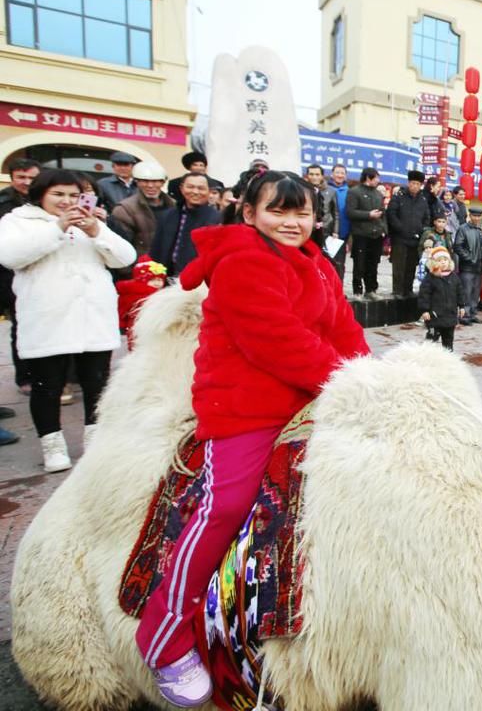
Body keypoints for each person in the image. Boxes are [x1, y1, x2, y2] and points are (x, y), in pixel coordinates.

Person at [134, 170, 369, 706]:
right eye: (277, 211)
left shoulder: (316, 260)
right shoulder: (243, 261)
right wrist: (346, 378)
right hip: (246, 406)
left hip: (310, 396)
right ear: (249, 213)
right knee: (225, 505)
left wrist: (368, 375)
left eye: (301, 212)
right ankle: (163, 632)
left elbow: (342, 327)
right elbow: (277, 341)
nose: (291, 222)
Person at [0, 169, 137, 470]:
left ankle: (95, 439)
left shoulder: (91, 222)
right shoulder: (18, 221)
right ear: (41, 195)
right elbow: (10, 256)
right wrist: (58, 227)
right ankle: (52, 445)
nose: (66, 201)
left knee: (96, 382)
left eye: (73, 195)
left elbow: (125, 258)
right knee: (47, 385)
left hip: (93, 316)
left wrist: (97, 231)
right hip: (48, 318)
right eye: (58, 194)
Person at [0, 157, 39, 401]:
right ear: (12, 178)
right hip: (9, 275)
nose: (26, 182)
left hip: (40, 276)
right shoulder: (4, 204)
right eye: (21, 177)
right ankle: (25, 377)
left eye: (31, 178)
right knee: (20, 327)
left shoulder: (45, 201)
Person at [150, 172, 222, 277]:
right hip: (166, 276)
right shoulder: (167, 216)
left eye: (201, 188)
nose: (195, 192)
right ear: (182, 188)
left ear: (209, 191)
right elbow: (156, 249)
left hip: (198, 278)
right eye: (190, 187)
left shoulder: (217, 219)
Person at [111, 160, 175, 256]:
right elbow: (122, 246)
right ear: (137, 182)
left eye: (155, 181)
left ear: (163, 182)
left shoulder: (174, 205)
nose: (150, 185)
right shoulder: (124, 209)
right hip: (142, 262)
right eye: (145, 181)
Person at [387, 170, 431, 299]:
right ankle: (397, 291)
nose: (415, 186)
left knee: (411, 267)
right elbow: (391, 214)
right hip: (400, 238)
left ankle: (408, 290)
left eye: (418, 184)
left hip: (415, 239)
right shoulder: (399, 196)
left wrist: (421, 230)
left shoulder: (423, 200)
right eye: (413, 183)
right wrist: (400, 228)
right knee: (399, 267)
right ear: (408, 183)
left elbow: (427, 218)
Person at [344, 167, 386, 297]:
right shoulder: (354, 192)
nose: (378, 181)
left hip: (376, 234)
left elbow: (383, 213)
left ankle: (371, 290)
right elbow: (350, 212)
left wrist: (383, 229)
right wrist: (368, 215)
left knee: (373, 264)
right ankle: (357, 291)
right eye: (376, 178)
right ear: (368, 178)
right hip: (361, 234)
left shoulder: (378, 194)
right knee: (359, 263)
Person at [418, 246, 464, 351]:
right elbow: (424, 295)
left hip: (450, 316)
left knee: (448, 341)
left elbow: (460, 292)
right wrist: (424, 310)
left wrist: (461, 306)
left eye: (445, 260)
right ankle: (426, 355)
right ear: (434, 263)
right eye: (439, 260)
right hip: (434, 316)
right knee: (431, 340)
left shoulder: (454, 277)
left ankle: (448, 357)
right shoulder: (430, 278)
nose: (443, 262)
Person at [453, 207, 482, 325]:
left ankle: (472, 313)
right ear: (470, 216)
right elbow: (457, 246)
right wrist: (470, 258)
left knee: (475, 292)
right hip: (467, 266)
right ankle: (464, 315)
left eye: (479, 216)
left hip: (478, 267)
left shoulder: (480, 230)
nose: (477, 218)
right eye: (474, 216)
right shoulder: (463, 229)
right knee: (466, 292)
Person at [305, 163, 338, 252]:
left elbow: (335, 213)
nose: (314, 177)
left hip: (325, 229)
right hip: (307, 230)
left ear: (322, 176)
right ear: (307, 176)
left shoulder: (331, 191)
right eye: (311, 174)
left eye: (317, 174)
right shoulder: (302, 190)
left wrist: (335, 231)